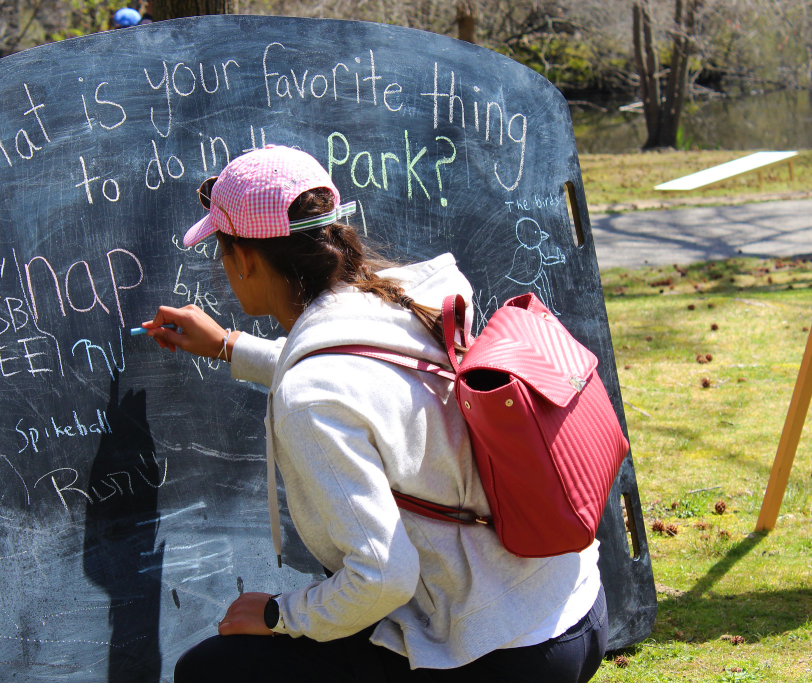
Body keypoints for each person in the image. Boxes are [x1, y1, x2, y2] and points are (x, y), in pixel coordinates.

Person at [143, 146, 608, 682]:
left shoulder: (310, 398)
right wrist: (230, 346)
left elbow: (384, 577)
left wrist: (279, 614)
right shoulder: (404, 299)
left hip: (502, 653)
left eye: (221, 252)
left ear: (243, 258)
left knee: (212, 671)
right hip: (570, 604)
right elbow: (361, 381)